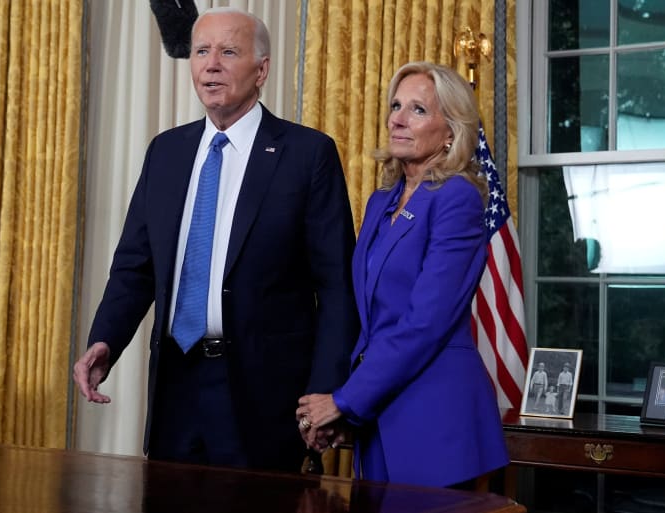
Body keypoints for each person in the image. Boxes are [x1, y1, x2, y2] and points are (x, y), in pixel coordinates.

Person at [72, 7, 359, 472]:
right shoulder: (166, 152)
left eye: (229, 52)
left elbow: (336, 287)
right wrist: (106, 339)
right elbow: (134, 265)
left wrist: (326, 390)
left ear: (261, 69)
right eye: (202, 51)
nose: (211, 64)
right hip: (176, 386)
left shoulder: (307, 155)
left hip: (263, 395)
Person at [293, 61, 508, 488]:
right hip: (381, 415)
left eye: (418, 110)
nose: (398, 118)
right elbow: (372, 320)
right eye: (395, 106)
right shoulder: (381, 202)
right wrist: (350, 413)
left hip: (435, 421)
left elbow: (424, 324)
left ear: (451, 131)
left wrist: (343, 400)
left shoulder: (457, 199)